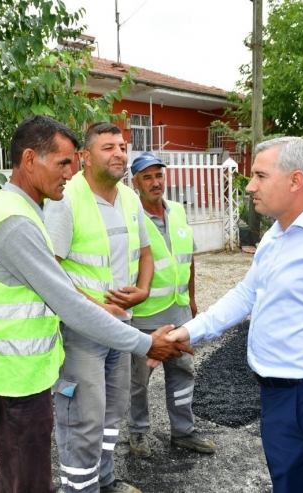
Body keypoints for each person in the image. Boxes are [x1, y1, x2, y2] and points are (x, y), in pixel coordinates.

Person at [0, 115, 192, 493]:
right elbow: (69, 302)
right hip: (12, 380)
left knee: (18, 479)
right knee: (30, 482)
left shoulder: (10, 209)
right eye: (63, 163)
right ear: (30, 160)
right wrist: (148, 343)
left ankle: (104, 479)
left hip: (12, 373)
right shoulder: (16, 223)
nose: (70, 171)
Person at [166, 137, 303, 493]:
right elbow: (247, 294)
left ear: (295, 180)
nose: (249, 186)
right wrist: (190, 331)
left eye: (260, 176)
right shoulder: (276, 235)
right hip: (276, 394)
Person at [44, 123, 155, 493]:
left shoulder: (128, 197)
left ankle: (103, 480)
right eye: (108, 147)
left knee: (112, 412)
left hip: (120, 327)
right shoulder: (65, 200)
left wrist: (142, 290)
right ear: (85, 158)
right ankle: (79, 489)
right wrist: (96, 308)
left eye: (123, 146)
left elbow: (144, 251)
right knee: (83, 417)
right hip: (82, 332)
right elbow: (51, 268)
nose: (120, 153)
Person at [126, 152, 216, 458]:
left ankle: (183, 431)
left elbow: (188, 260)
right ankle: (137, 432)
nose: (155, 182)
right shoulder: (131, 215)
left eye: (159, 175)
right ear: (135, 182)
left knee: (182, 371)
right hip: (145, 316)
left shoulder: (177, 210)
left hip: (178, 312)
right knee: (139, 380)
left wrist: (191, 299)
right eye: (147, 177)